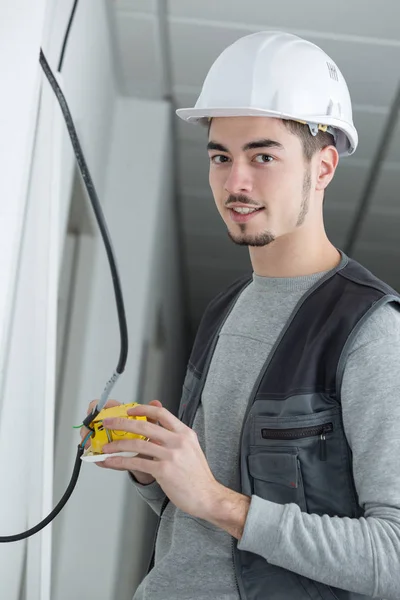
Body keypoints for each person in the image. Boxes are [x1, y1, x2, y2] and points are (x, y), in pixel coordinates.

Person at [82, 31, 400, 599]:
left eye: (263, 156)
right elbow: (204, 518)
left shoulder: (370, 332)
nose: (236, 183)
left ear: (323, 167)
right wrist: (154, 465)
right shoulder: (226, 309)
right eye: (221, 157)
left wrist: (216, 500)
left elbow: (392, 557)